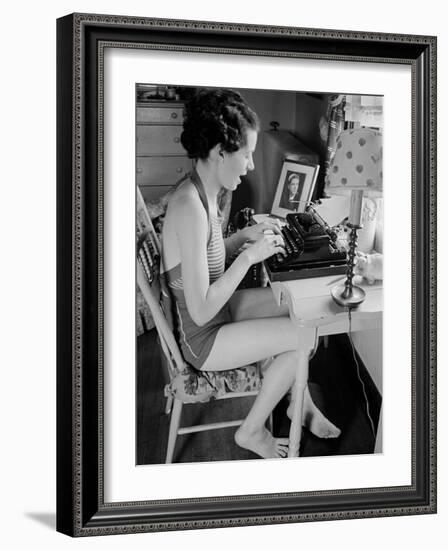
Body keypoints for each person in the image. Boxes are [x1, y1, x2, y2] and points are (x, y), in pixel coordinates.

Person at [161, 88, 340, 459]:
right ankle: (251, 430)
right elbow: (200, 310)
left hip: (214, 315)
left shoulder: (202, 191)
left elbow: (203, 260)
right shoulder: (189, 207)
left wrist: (242, 239)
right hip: (202, 339)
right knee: (302, 336)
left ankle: (297, 403)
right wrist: (248, 258)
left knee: (299, 311)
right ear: (219, 152)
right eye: (247, 154)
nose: (252, 165)